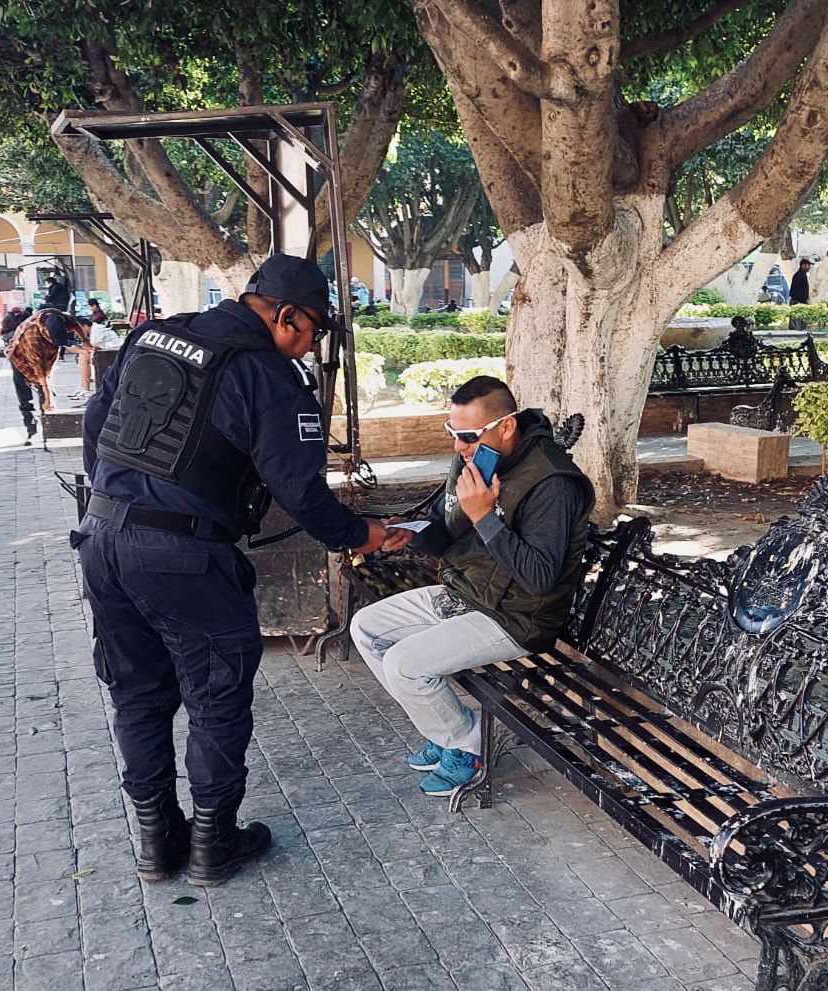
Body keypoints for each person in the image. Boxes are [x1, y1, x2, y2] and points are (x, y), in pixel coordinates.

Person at [74, 253, 394, 887]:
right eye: (314, 329)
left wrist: (121, 501)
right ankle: (212, 844)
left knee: (136, 693)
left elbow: (94, 425)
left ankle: (156, 841)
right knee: (215, 697)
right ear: (287, 315)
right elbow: (300, 491)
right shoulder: (267, 375)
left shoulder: (152, 336)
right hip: (184, 556)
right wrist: (360, 535)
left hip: (102, 537)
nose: (312, 345)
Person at [349, 376, 595, 797]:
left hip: (517, 616)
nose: (458, 445)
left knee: (405, 665)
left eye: (467, 435)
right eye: (453, 432)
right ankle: (445, 730)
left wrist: (484, 516)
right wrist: (414, 532)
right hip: (468, 590)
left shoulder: (551, 483)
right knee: (366, 628)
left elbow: (539, 577)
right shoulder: (476, 459)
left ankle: (468, 745)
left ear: (506, 426)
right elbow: (447, 528)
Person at [6, 308, 90, 435]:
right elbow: (41, 373)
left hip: (43, 353)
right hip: (20, 358)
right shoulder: (32, 337)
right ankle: (31, 428)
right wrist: (47, 396)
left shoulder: (61, 317)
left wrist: (85, 341)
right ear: (46, 332)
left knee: (48, 393)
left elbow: (76, 325)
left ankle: (49, 424)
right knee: (28, 396)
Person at [67, 315, 124, 403]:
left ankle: (86, 389)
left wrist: (78, 350)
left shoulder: (97, 330)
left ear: (85, 326)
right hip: (107, 351)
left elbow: (93, 347)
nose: (77, 333)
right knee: (83, 355)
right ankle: (84, 387)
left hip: (112, 352)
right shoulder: (95, 329)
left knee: (84, 356)